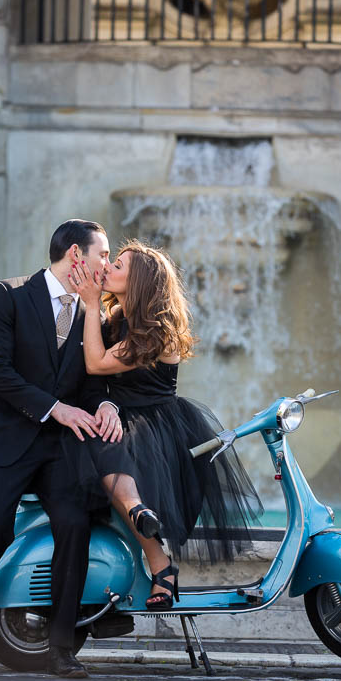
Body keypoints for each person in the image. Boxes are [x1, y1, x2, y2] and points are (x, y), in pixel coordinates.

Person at [0, 220, 122, 679]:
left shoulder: (92, 311)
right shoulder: (7, 294)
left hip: (61, 450)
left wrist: (105, 404)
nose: (108, 263)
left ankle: (62, 648)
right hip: (4, 440)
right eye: (103, 254)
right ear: (76, 255)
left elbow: (96, 378)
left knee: (75, 526)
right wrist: (56, 408)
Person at [67, 240, 262, 610]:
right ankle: (140, 516)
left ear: (139, 282)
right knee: (101, 437)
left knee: (108, 443)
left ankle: (159, 561)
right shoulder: (117, 320)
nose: (108, 269)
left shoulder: (156, 331)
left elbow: (95, 364)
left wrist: (91, 303)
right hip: (122, 414)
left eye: (118, 266)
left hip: (156, 425)